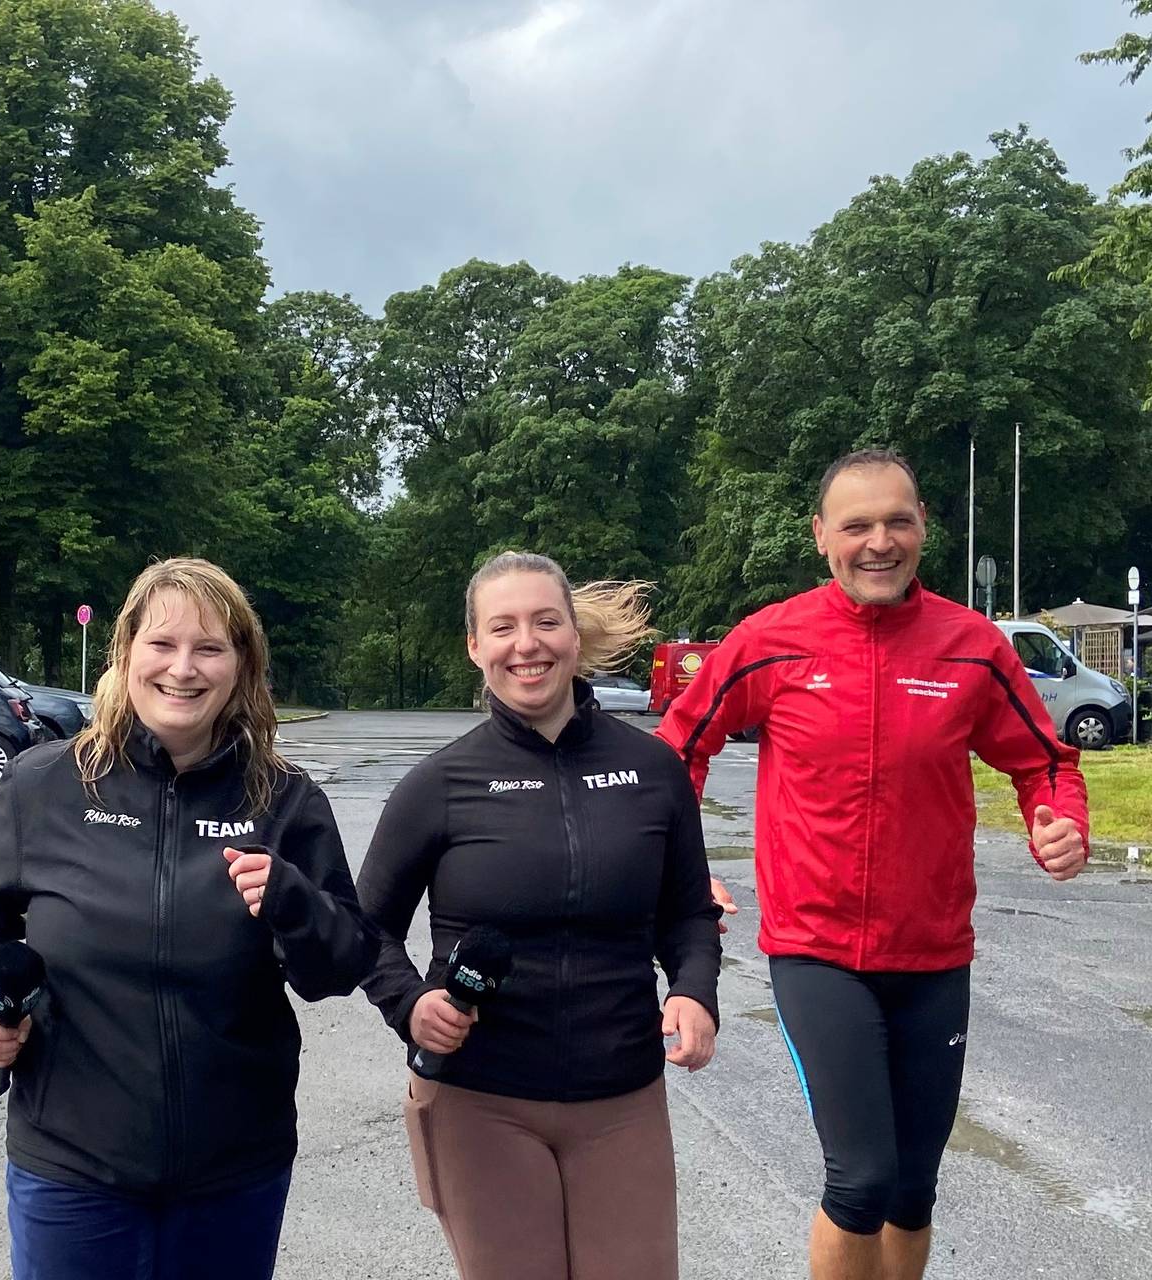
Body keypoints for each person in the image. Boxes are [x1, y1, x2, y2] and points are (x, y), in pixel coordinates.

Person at [657, 449, 1089, 1280]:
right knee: (860, 1182)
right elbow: (679, 750)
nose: (879, 542)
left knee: (912, 1191)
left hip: (933, 956)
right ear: (822, 536)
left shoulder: (971, 647)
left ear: (924, 525)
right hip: (816, 952)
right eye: (857, 525)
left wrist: (1061, 822)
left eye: (897, 521)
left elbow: (1045, 762)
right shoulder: (770, 641)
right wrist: (681, 870)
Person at [0, 558, 381, 1280]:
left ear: (242, 666)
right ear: (125, 653)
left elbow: (338, 967)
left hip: (234, 1170)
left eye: (209, 648)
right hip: (72, 1165)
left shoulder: (285, 800)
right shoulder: (46, 784)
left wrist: (295, 904)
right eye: (163, 644)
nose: (183, 668)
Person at [357, 552, 724, 1280]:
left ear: (574, 636)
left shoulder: (653, 771)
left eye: (546, 622)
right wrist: (410, 1003)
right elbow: (365, 928)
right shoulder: (441, 783)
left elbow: (687, 912)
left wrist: (694, 991)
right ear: (475, 646)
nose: (526, 644)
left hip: (621, 1094)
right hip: (479, 1098)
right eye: (503, 627)